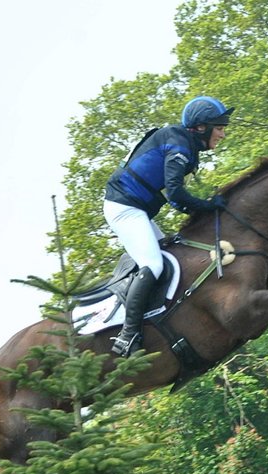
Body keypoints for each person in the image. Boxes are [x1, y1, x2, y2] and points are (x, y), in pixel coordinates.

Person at [104, 95, 233, 357]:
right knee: (153, 264)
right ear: (201, 127)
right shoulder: (179, 145)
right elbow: (175, 194)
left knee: (170, 257)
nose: (222, 134)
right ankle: (127, 335)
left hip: (137, 210)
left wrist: (205, 207)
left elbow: (175, 197)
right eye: (219, 128)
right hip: (124, 208)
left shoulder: (183, 143)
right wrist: (208, 207)